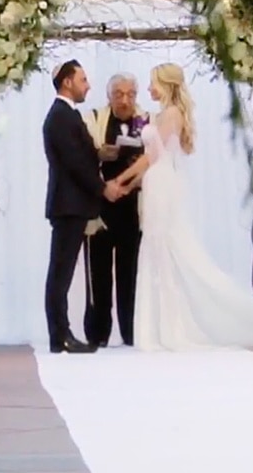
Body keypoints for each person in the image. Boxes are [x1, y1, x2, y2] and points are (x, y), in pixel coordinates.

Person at [112, 63, 253, 351]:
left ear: (165, 84)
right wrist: (131, 183)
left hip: (162, 186)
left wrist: (120, 180)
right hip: (157, 182)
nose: (148, 89)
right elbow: (155, 159)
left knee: (165, 249)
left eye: (152, 83)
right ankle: (159, 324)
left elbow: (150, 157)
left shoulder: (172, 113)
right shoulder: (165, 114)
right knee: (157, 249)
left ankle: (170, 327)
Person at [42, 59, 123, 353]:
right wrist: (103, 187)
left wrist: (100, 153)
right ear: (67, 82)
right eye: (83, 80)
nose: (88, 85)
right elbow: (74, 163)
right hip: (68, 204)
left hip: (72, 204)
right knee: (60, 272)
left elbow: (81, 155)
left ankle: (61, 333)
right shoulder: (61, 116)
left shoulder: (66, 115)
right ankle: (59, 335)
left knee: (61, 272)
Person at [81, 73, 150, 347]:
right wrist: (99, 154)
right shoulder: (94, 118)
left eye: (131, 94)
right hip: (101, 206)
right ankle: (98, 333)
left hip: (133, 206)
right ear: (109, 96)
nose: (125, 100)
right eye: (119, 94)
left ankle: (131, 331)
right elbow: (81, 158)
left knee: (130, 272)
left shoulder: (146, 120)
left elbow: (156, 157)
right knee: (98, 273)